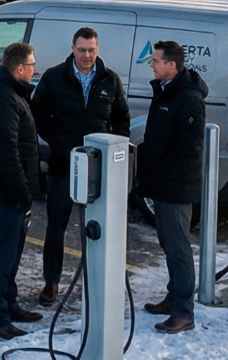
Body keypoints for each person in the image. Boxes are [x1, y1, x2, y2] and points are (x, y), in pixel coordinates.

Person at [28, 27, 130, 306]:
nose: (87, 55)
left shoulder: (110, 79)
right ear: (73, 48)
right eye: (82, 50)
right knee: (56, 227)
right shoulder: (54, 77)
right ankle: (51, 281)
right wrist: (59, 143)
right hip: (64, 165)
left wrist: (113, 149)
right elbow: (38, 114)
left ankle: (96, 282)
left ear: (98, 49)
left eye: (92, 50)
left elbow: (121, 118)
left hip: (98, 169)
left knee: (96, 228)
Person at [139, 40, 206, 333]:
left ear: (172, 65)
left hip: (176, 188)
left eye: (155, 61)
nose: (151, 65)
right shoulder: (167, 92)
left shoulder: (187, 99)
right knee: (168, 244)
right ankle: (173, 297)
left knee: (178, 248)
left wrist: (162, 174)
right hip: (163, 185)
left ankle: (183, 312)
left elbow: (188, 150)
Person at [0, 40, 43, 339]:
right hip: (8, 194)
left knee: (12, 254)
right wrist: (22, 193)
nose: (34, 70)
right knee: (3, 257)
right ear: (19, 68)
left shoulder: (11, 92)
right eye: (31, 66)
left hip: (12, 193)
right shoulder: (6, 98)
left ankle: (10, 303)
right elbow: (7, 153)